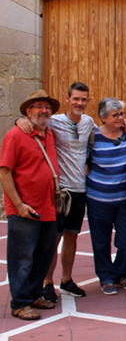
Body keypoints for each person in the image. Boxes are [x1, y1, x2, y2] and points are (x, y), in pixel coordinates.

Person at [14, 82, 94, 301]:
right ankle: (47, 282)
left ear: (88, 101)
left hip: (80, 189)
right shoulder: (54, 121)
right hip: (60, 191)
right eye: (76, 98)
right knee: (53, 238)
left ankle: (66, 280)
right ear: (67, 99)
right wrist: (19, 120)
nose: (79, 103)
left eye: (84, 99)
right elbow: (32, 122)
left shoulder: (89, 122)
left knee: (72, 236)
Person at [0, 90, 61, 320]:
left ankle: (34, 294)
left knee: (43, 256)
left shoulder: (50, 134)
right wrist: (19, 205)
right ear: (27, 111)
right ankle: (19, 303)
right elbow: (5, 172)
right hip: (25, 209)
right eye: (38, 107)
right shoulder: (16, 135)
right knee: (22, 258)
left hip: (48, 208)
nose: (43, 111)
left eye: (47, 107)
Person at [86, 98, 126, 295]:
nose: (120, 118)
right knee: (100, 241)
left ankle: (121, 274)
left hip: (125, 200)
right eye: (115, 115)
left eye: (121, 114)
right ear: (103, 118)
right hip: (98, 200)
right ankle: (106, 278)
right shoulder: (93, 136)